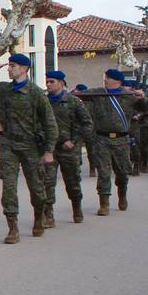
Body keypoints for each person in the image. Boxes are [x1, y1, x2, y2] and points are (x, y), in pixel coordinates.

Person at [0, 53, 57, 244]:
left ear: (24, 69)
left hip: (30, 145)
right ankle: (13, 228)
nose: (9, 69)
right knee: (8, 186)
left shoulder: (35, 93)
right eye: (9, 65)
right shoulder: (2, 89)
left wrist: (49, 151)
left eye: (13, 66)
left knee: (36, 187)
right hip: (9, 143)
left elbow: (50, 123)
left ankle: (38, 218)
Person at [86, 69, 145, 215]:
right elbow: (81, 95)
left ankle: (122, 195)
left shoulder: (128, 96)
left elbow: (146, 108)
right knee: (104, 172)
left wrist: (143, 98)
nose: (105, 80)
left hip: (121, 139)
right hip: (102, 139)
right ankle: (104, 203)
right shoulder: (99, 93)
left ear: (116, 80)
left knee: (122, 172)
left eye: (108, 78)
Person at [41, 71, 91, 226]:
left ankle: (77, 207)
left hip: (68, 148)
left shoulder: (73, 101)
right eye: (47, 82)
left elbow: (87, 124)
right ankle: (48, 214)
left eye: (52, 82)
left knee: (72, 182)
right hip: (49, 148)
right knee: (46, 182)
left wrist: (74, 141)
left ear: (61, 83)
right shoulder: (42, 102)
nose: (49, 84)